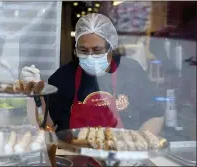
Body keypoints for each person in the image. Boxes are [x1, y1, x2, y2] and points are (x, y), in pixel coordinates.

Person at [22, 13, 164, 134]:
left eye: (97, 50)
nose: (90, 56)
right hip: (76, 157)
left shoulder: (130, 71)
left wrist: (135, 146)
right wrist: (34, 94)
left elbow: (155, 116)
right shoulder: (63, 77)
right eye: (83, 50)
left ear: (110, 47)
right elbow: (46, 125)